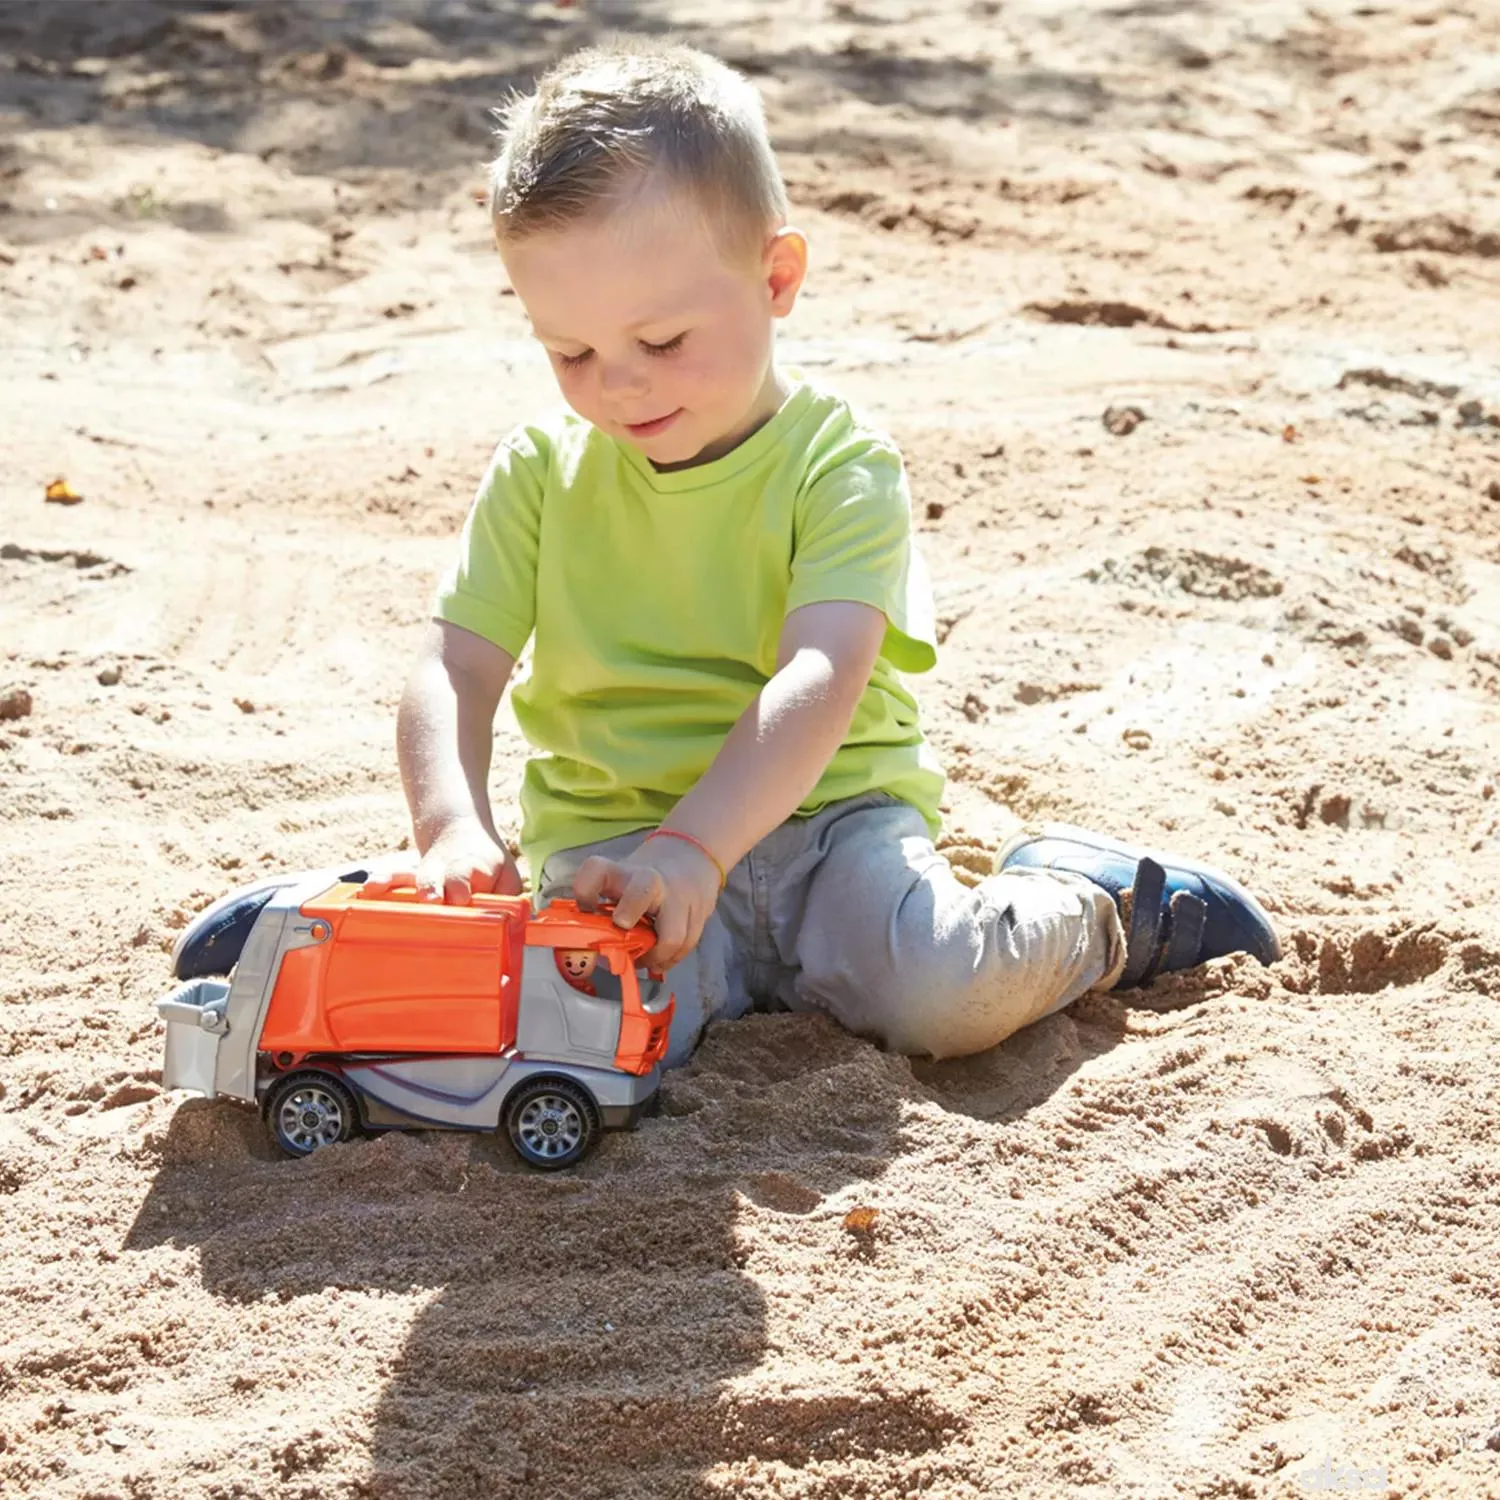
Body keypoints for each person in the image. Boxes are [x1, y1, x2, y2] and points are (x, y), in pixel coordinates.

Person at [379, 40, 1278, 1068]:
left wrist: (702, 845)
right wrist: (450, 825)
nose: (619, 385)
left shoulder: (838, 463)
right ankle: (344, 930)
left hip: (830, 828)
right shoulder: (542, 469)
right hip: (619, 851)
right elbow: (455, 666)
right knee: (560, 1041)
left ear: (776, 277)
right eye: (571, 352)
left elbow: (823, 670)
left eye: (662, 342)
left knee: (946, 997)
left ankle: (1097, 908)